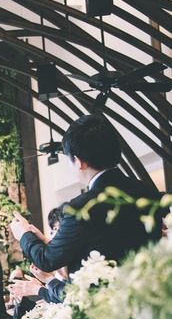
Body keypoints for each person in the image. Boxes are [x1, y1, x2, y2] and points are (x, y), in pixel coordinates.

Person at [10, 114, 163, 274]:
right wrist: (43, 240)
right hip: (149, 284)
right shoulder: (146, 190)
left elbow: (47, 260)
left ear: (78, 161)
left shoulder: (80, 208)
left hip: (105, 289)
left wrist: (24, 234)